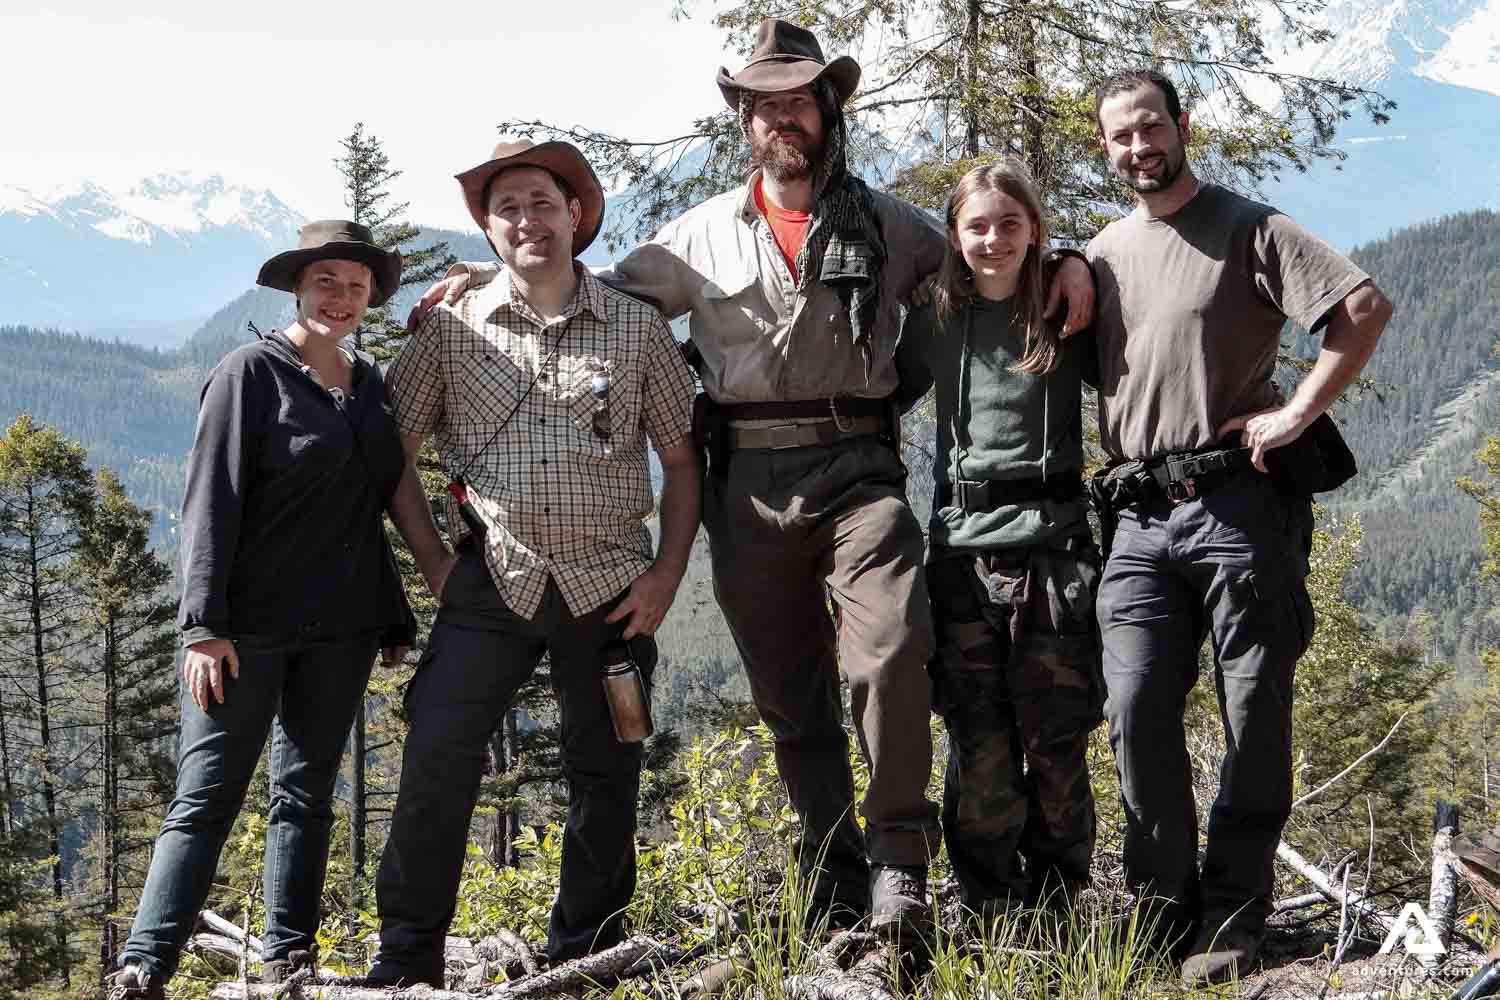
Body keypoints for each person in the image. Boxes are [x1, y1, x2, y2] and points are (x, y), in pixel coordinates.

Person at [418, 19, 1096, 940]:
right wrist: (494, 269)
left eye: (800, 101)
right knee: (790, 694)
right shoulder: (694, 238)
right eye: (765, 105)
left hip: (861, 471)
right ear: (745, 121)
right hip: (745, 483)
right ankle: (834, 875)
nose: (784, 118)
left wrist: (1070, 260)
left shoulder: (891, 225)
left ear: (828, 111)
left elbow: (990, 259)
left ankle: (900, 862)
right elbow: (589, 292)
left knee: (893, 650)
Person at [366, 139, 700, 987]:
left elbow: (683, 458)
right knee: (438, 754)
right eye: (507, 208)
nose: (527, 222)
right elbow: (393, 449)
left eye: (542, 203)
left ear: (575, 213)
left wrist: (666, 575)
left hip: (612, 585)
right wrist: (436, 563)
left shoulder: (636, 327)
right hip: (491, 579)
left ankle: (585, 953)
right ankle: (406, 958)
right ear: (486, 227)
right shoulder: (450, 327)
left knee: (608, 768)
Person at [1087, 69, 1393, 984]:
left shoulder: (1248, 227)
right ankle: (1160, 908)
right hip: (1137, 517)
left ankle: (1232, 912)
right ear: (1105, 146)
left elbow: (1362, 309)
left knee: (1253, 709)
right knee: (1135, 708)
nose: (1138, 147)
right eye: (1120, 136)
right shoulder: (1102, 252)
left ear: (1181, 125)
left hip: (1238, 508)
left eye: (1150, 127)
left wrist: (1295, 413)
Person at [108, 222, 415, 1000]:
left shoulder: (368, 383)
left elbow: (372, 501)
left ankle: (288, 960)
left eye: (355, 286)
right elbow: (210, 500)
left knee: (305, 797)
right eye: (326, 282)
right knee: (206, 795)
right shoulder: (249, 373)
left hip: (342, 630)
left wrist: (393, 613)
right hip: (244, 631)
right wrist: (202, 627)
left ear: (371, 297)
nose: (341, 298)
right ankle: (143, 966)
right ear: (297, 288)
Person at [894, 161, 1101, 927]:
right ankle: (989, 910)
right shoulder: (937, 315)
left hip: (1054, 552)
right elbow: (881, 391)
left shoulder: (1065, 306)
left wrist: (1074, 260)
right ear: (954, 235)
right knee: (979, 745)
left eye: (1010, 224)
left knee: (1055, 742)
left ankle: (1059, 910)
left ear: (1035, 229)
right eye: (976, 226)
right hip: (961, 556)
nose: (993, 239)